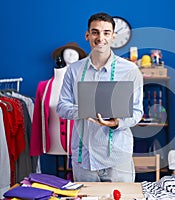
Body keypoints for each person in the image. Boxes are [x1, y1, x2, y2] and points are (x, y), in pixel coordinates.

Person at [56, 12, 144, 182]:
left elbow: (137, 111)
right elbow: (61, 106)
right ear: (87, 35)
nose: (100, 37)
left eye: (106, 32)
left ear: (113, 36)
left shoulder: (130, 71)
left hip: (117, 159)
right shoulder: (73, 70)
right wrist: (84, 110)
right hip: (84, 159)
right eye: (95, 32)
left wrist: (116, 122)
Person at [31, 42, 87, 156]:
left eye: (74, 53)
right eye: (67, 53)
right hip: (52, 141)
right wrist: (36, 146)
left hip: (77, 143)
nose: (70, 55)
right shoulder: (43, 87)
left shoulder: (85, 86)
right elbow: (37, 119)